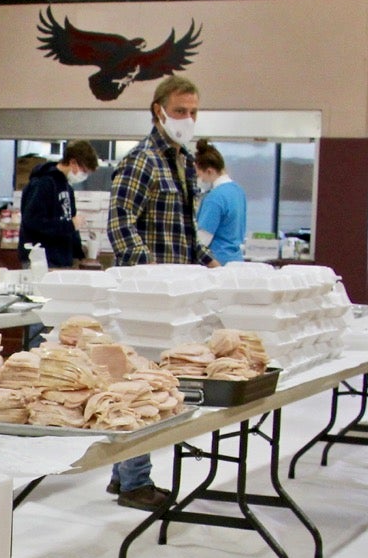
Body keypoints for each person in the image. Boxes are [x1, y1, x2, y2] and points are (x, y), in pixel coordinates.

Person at [106, 75, 216, 511]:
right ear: (159, 110)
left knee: (157, 383)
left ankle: (122, 474)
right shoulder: (141, 161)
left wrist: (207, 261)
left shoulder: (184, 163)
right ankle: (135, 482)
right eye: (181, 111)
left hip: (175, 299)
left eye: (193, 112)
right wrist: (147, 269)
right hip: (143, 301)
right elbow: (120, 224)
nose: (187, 119)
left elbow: (185, 232)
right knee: (142, 388)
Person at [19, 140, 98, 269]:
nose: (84, 176)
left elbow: (71, 224)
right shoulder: (43, 184)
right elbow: (32, 221)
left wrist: (80, 252)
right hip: (41, 260)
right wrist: (69, 225)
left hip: (62, 259)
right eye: (84, 171)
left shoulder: (68, 187)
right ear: (72, 162)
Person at [193, 141, 247, 265]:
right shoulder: (239, 191)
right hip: (236, 260)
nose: (200, 179)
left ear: (210, 171)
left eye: (199, 175)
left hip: (217, 262)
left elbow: (202, 240)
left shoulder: (214, 198)